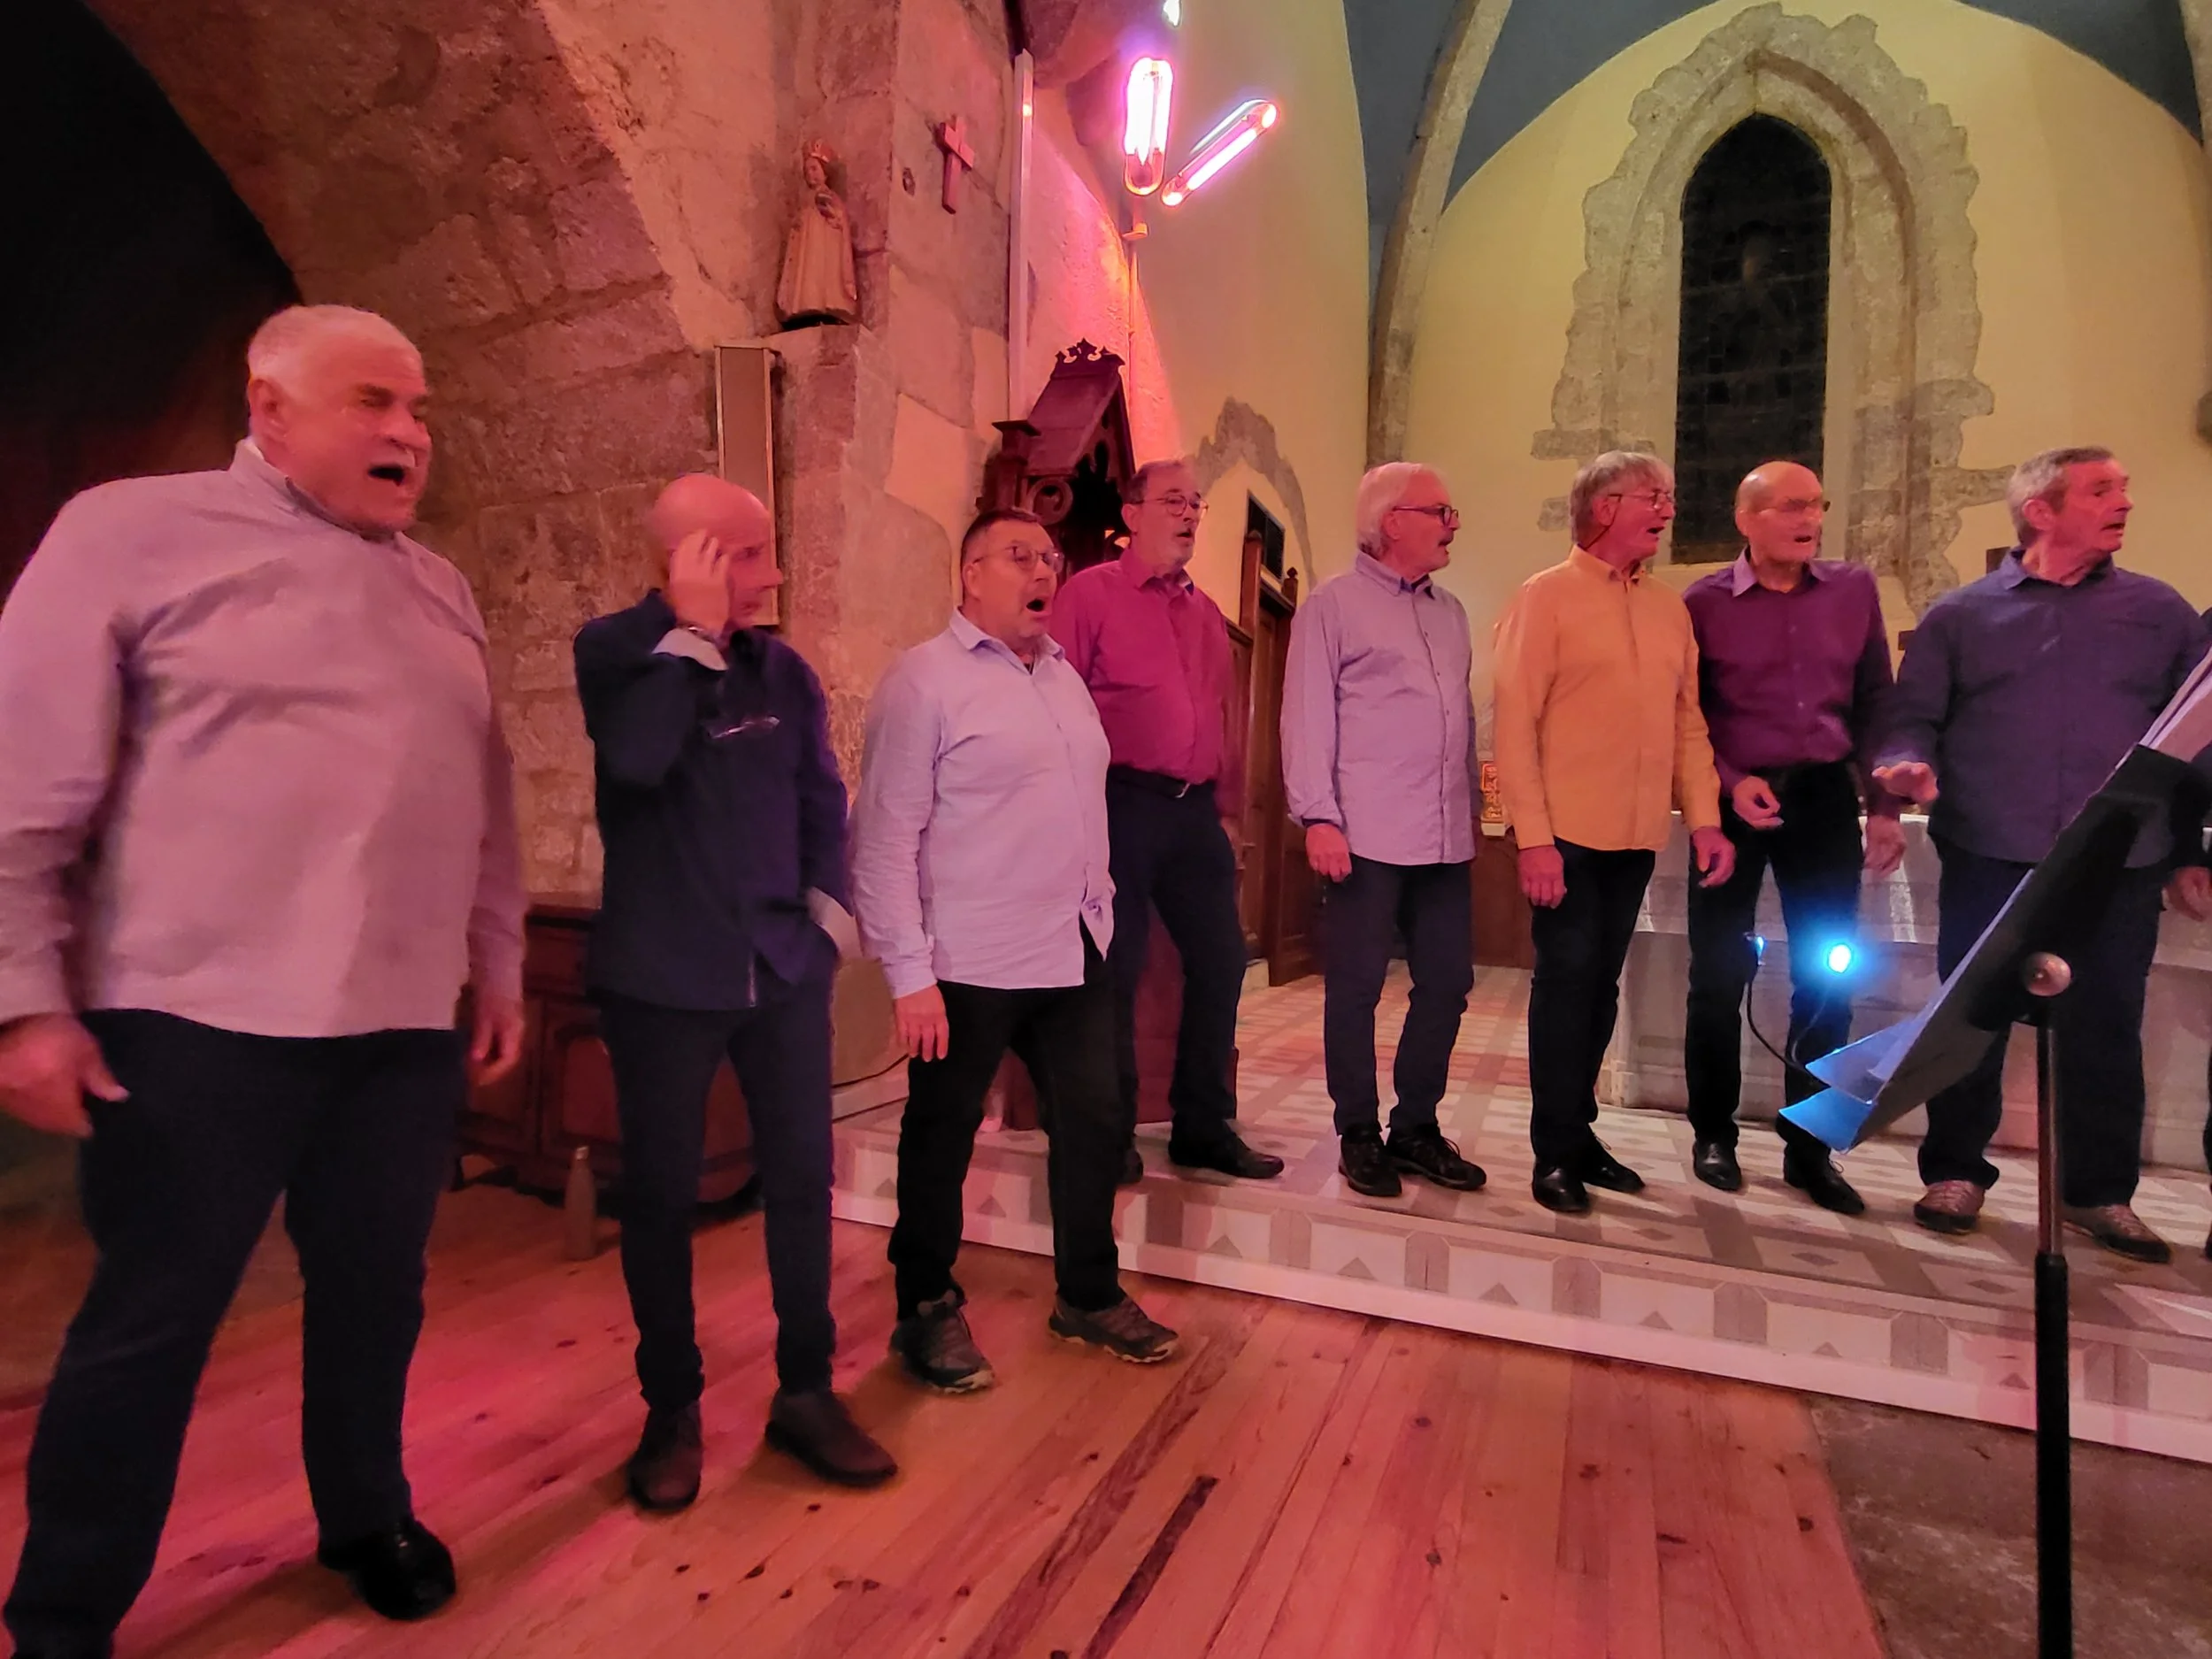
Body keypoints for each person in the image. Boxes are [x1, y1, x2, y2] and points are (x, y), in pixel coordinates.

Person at [0, 305, 528, 1656]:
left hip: (399, 1030)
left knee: (377, 1293)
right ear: (270, 406)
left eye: (419, 408)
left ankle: (366, 1513)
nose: (409, 434)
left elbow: (483, 795)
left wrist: (498, 956)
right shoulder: (129, 529)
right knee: (154, 1316)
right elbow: (23, 783)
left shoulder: (441, 586)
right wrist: (23, 997)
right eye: (373, 402)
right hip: (193, 1020)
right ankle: (63, 1611)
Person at [573, 474, 895, 1506]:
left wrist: (824, 925)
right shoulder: (614, 653)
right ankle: (671, 1411)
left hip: (782, 972)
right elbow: (634, 763)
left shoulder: (785, 675)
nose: (777, 574)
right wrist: (692, 639)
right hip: (661, 980)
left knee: (802, 1181)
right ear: (694, 560)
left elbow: (819, 798)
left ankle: (805, 1390)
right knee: (663, 1198)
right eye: (750, 555)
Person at [852, 509, 1179, 1393]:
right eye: (1018, 555)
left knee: (1096, 1121)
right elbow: (882, 838)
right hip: (965, 954)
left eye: (1049, 558)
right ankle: (924, 1309)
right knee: (941, 1135)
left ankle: (1087, 1293)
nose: (1041, 570)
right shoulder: (924, 682)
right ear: (970, 573)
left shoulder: (1064, 678)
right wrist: (909, 974)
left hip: (1071, 944)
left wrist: (1100, 901)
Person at [1875, 446, 2205, 1262]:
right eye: (2102, 490)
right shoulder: (1961, 616)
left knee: (2106, 1025)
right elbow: (1912, 714)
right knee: (1970, 1021)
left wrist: (2194, 846)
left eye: (2124, 488)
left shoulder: (2162, 614)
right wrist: (1907, 762)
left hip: (2119, 860)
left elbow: (2197, 740)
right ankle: (1954, 1171)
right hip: (1992, 846)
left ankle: (2100, 1191)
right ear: (2041, 511)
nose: (2124, 501)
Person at [1493, 450, 1734, 1215]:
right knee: (1564, 990)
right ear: (1604, 508)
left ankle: (1581, 1132)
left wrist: (1706, 819)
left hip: (1633, 836)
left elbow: (1687, 722)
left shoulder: (1670, 608)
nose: (1667, 507)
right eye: (1651, 496)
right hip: (1563, 833)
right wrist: (1532, 837)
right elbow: (1515, 726)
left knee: (1600, 991)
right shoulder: (1545, 597)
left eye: (1669, 493)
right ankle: (1553, 1150)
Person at [1678, 462, 1902, 1215]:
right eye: (1792, 506)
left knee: (1830, 975)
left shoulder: (1852, 591)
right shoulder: (1702, 604)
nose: (1811, 518)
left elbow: (1876, 699)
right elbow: (1685, 711)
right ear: (1747, 519)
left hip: (1822, 797)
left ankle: (1810, 1149)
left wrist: (1885, 807)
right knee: (1717, 971)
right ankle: (1713, 1132)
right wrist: (1729, 776)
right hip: (1732, 798)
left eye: (1818, 504)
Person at [1051, 457, 1282, 1187]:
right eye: (1173, 501)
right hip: (1115, 801)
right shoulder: (1090, 595)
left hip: (1192, 811)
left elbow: (1221, 718)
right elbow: (1056, 704)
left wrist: (1226, 810)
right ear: (1133, 510)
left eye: (1196, 503)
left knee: (1220, 961)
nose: (1188, 514)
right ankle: (1107, 1132)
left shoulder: (1208, 613)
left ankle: (1202, 1126)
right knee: (1111, 973)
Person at [1281, 462, 1489, 1201]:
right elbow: (1306, 715)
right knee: (1356, 986)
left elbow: (1458, 721)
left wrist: (1471, 807)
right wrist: (1318, 814)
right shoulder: (1332, 607)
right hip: (1362, 832)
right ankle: (1358, 1131)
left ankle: (1416, 1128)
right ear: (1392, 520)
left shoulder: (1452, 612)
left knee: (1448, 981)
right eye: (1441, 510)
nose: (1452, 523)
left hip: (1443, 835)